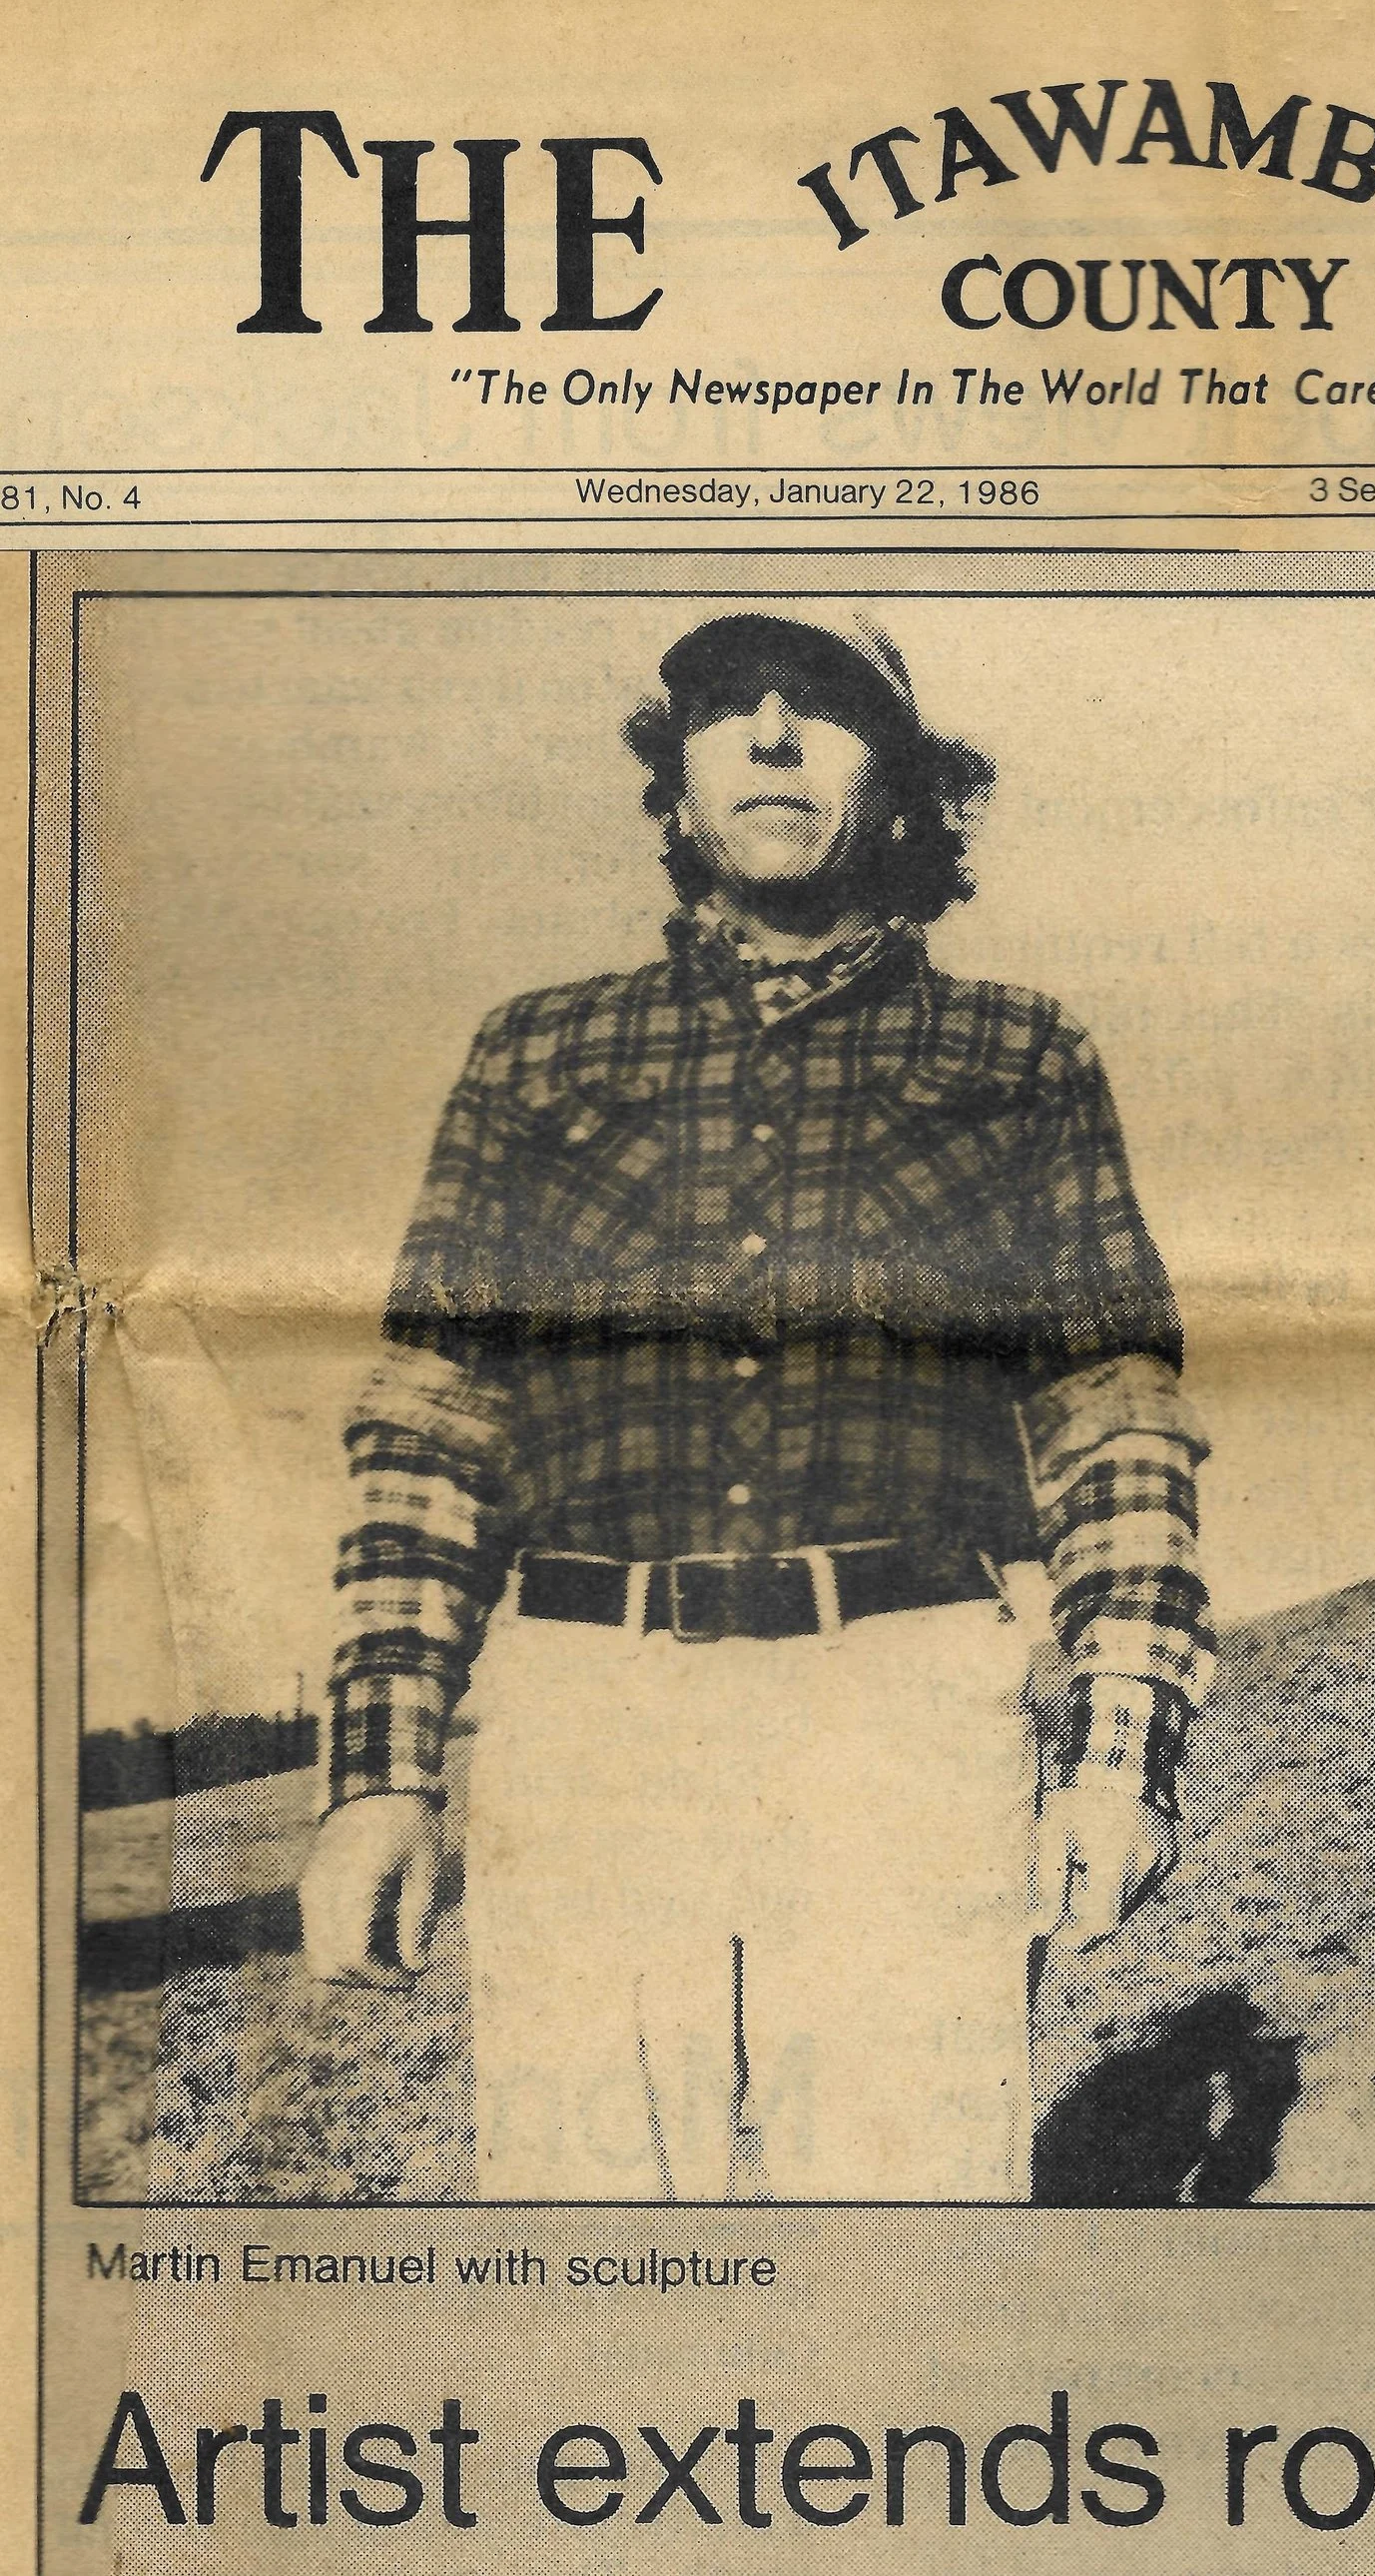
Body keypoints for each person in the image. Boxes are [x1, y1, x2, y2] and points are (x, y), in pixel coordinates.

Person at [295, 612, 1215, 2202]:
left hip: (903, 1720)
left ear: (908, 790)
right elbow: (435, 1433)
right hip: (590, 1726)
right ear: (674, 786)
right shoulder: (534, 1055)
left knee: (906, 2259)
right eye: (730, 708)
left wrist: (1120, 1757)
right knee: (592, 2268)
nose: (776, 739)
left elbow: (1111, 1418)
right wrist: (380, 1776)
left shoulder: (1021, 1055)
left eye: (829, 710)